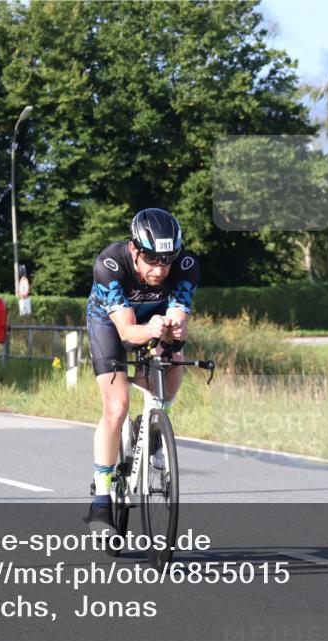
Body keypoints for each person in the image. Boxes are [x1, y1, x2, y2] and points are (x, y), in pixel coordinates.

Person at [83, 208, 199, 533]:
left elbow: (178, 322)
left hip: (155, 319)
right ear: (135, 250)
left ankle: (156, 427)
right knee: (117, 406)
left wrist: (174, 333)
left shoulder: (185, 267)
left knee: (174, 357)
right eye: (152, 260)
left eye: (168, 259)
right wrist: (152, 329)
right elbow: (126, 332)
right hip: (110, 323)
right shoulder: (109, 264)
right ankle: (102, 498)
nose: (161, 269)